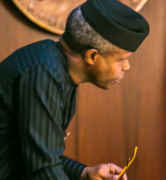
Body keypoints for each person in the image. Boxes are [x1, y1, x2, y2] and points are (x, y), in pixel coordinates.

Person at [0, 0, 149, 179]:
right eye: (121, 60)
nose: (127, 67)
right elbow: (43, 171)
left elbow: (41, 154)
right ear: (92, 56)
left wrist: (83, 172)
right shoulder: (43, 74)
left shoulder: (54, 68)